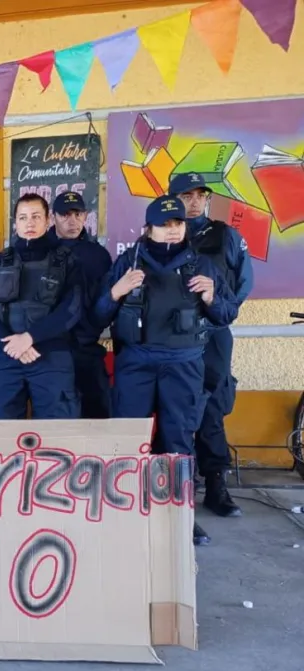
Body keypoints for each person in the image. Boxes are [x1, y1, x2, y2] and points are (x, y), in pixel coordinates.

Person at [93, 195, 238, 546]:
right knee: (129, 441)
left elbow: (226, 314)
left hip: (184, 363)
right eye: (164, 225)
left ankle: (181, 517)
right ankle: (126, 513)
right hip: (136, 362)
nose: (172, 231)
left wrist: (211, 297)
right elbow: (96, 316)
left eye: (177, 224)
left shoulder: (202, 264)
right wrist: (115, 291)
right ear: (148, 228)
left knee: (178, 443)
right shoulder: (127, 263)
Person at [170, 173, 254, 518]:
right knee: (178, 407)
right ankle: (180, 485)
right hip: (175, 336)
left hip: (213, 333)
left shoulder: (226, 235)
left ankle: (216, 483)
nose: (193, 201)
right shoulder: (163, 233)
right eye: (186, 195)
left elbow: (243, 283)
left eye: (199, 195)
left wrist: (219, 307)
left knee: (212, 407)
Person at [0, 194, 83, 420]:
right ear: (15, 223)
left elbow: (71, 309)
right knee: (1, 436)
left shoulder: (66, 261)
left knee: (57, 437)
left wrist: (30, 338)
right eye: (23, 218)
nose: (29, 223)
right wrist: (11, 342)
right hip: (6, 355)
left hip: (50, 356)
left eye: (35, 216)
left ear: (47, 220)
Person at [49, 191, 113, 418]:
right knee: (57, 416)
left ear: (86, 216)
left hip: (87, 346)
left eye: (77, 213)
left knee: (97, 413)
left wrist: (92, 329)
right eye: (65, 214)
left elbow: (106, 301)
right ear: (53, 217)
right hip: (50, 347)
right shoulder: (41, 251)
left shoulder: (99, 255)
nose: (72, 220)